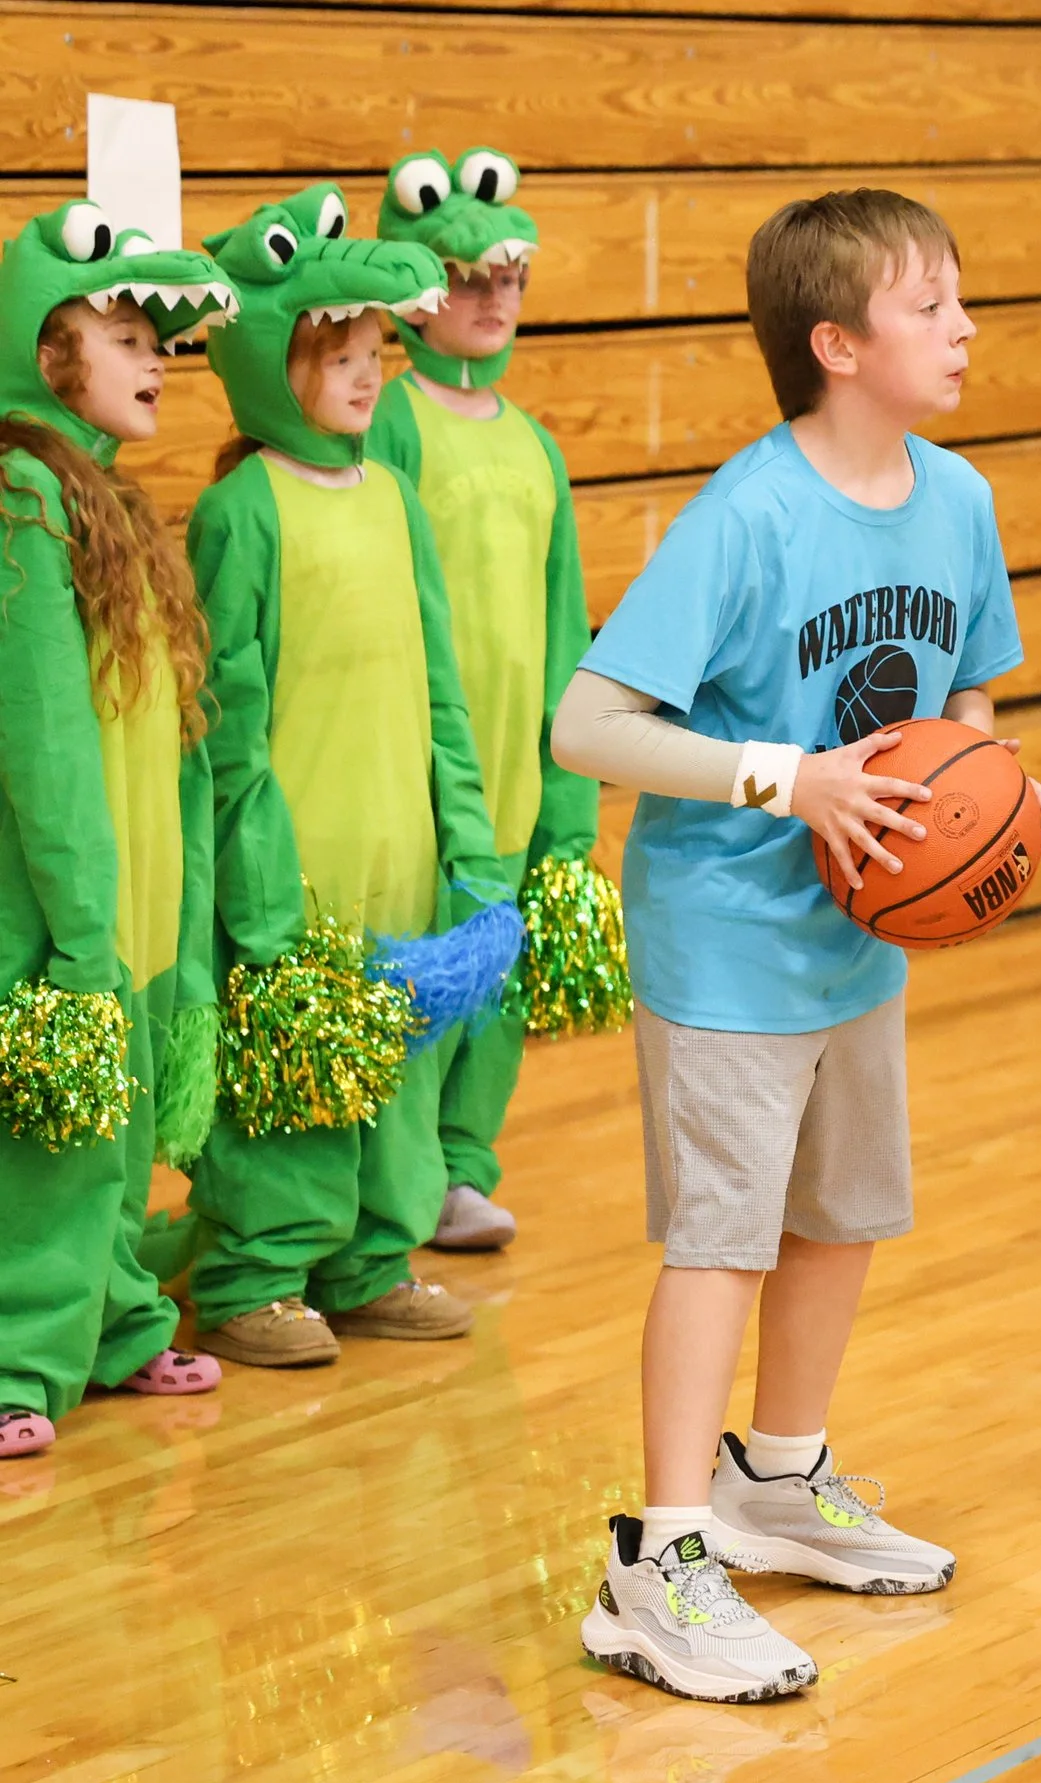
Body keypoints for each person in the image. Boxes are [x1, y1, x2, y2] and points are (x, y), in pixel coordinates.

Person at [551, 190, 1027, 1702]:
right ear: (837, 344)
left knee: (840, 1217)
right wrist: (791, 779)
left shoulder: (956, 501)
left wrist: (967, 808)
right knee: (723, 1242)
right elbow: (587, 726)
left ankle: (779, 1478)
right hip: (728, 941)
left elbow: (968, 709)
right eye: (929, 304)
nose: (963, 326)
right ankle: (661, 1558)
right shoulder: (746, 515)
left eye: (962, 299)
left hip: (854, 943)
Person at [186, 186, 517, 1370]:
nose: (370, 373)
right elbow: (227, 719)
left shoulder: (391, 500)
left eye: (377, 349)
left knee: (397, 1077)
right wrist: (257, 885)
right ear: (274, 363)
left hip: (404, 854)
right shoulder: (240, 512)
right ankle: (255, 1269)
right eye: (339, 353)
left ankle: (372, 1258)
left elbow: (441, 696)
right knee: (290, 1079)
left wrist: (469, 849)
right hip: (298, 860)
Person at [0, 204, 236, 1457]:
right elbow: (42, 740)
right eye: (127, 329)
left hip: (134, 898)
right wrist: (80, 929)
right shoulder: (22, 497)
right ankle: (15, 1356)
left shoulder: (112, 502)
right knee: (54, 1152)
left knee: (124, 1130)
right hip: (57, 911)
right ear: (45, 348)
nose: (156, 356)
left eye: (163, 338)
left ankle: (112, 1322)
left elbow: (168, 738)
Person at [367, 145, 623, 1255]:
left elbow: (564, 622)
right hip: (424, 762)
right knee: (428, 961)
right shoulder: (390, 423)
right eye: (467, 280)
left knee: (501, 969)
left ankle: (466, 1163)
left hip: (521, 764)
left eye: (507, 279)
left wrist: (571, 786)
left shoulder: (538, 447)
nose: (491, 298)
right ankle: (405, 1175)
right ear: (417, 292)